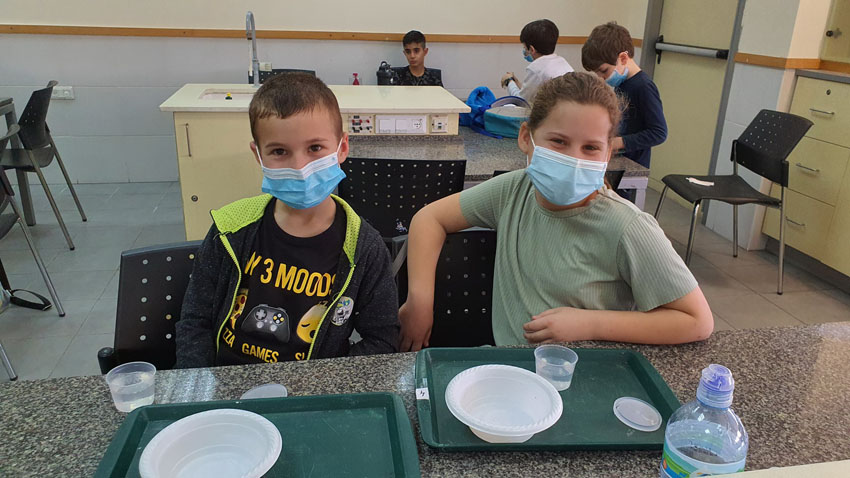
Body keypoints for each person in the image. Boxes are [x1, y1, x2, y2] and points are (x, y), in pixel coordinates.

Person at [398, 72, 713, 351]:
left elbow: (696, 320)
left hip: (583, 375)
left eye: (591, 148)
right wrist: (420, 303)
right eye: (559, 142)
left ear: (608, 153)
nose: (574, 159)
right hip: (511, 370)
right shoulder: (513, 191)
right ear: (526, 138)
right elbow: (429, 218)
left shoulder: (628, 227)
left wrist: (590, 323)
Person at [175, 73, 399, 368]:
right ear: (258, 155)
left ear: (342, 148)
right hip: (227, 378)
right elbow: (195, 321)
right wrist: (200, 384)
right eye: (279, 151)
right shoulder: (230, 228)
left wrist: (325, 382)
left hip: (314, 386)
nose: (300, 168)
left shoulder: (364, 248)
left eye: (315, 148)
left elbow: (382, 340)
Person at [582, 21, 667, 170]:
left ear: (623, 58)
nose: (601, 78)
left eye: (604, 71)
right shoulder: (621, 83)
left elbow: (659, 133)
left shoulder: (643, 87)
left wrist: (620, 142)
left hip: (633, 167)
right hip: (618, 161)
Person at [500, 19, 573, 103]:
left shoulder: (536, 69)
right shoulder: (562, 62)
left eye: (524, 48)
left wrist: (509, 81)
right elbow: (531, 93)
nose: (524, 51)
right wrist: (516, 82)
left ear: (532, 49)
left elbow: (521, 101)